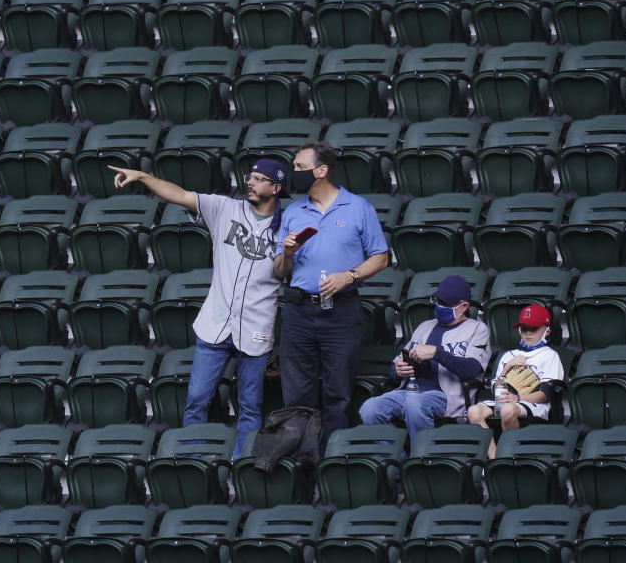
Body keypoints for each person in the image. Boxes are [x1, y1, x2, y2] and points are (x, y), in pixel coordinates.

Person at [109, 159, 288, 458]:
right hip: (215, 324)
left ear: (276, 187)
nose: (250, 182)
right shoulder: (225, 208)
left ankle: (242, 464)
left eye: (259, 179)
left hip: (256, 328)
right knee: (196, 399)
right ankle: (194, 461)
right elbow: (178, 194)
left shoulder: (288, 224)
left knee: (250, 406)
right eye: (250, 176)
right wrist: (142, 176)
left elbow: (286, 272)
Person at [273, 141, 389, 441]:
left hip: (341, 312)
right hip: (298, 312)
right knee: (297, 395)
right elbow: (279, 272)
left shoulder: (358, 207)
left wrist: (349, 276)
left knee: (338, 393)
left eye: (299, 167)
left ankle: (333, 463)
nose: (293, 173)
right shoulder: (293, 212)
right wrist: (286, 253)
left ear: (321, 171)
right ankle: (303, 463)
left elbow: (381, 257)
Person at [358, 275, 491, 442]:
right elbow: (394, 369)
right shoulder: (425, 326)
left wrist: (437, 353)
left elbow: (472, 370)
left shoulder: (477, 328)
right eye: (439, 301)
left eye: (447, 304)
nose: (441, 306)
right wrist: (398, 370)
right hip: (410, 391)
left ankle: (420, 459)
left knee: (415, 405)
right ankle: (393, 459)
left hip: (446, 396)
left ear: (464, 306)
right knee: (369, 408)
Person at [467, 303, 564, 459]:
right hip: (505, 399)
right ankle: (496, 459)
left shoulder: (550, 356)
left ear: (547, 331)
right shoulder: (508, 355)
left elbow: (546, 394)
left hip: (534, 404)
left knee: (508, 410)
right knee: (473, 411)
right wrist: (507, 368)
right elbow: (496, 390)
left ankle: (510, 456)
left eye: (534, 329)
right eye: (524, 328)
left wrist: (517, 398)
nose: (528, 333)